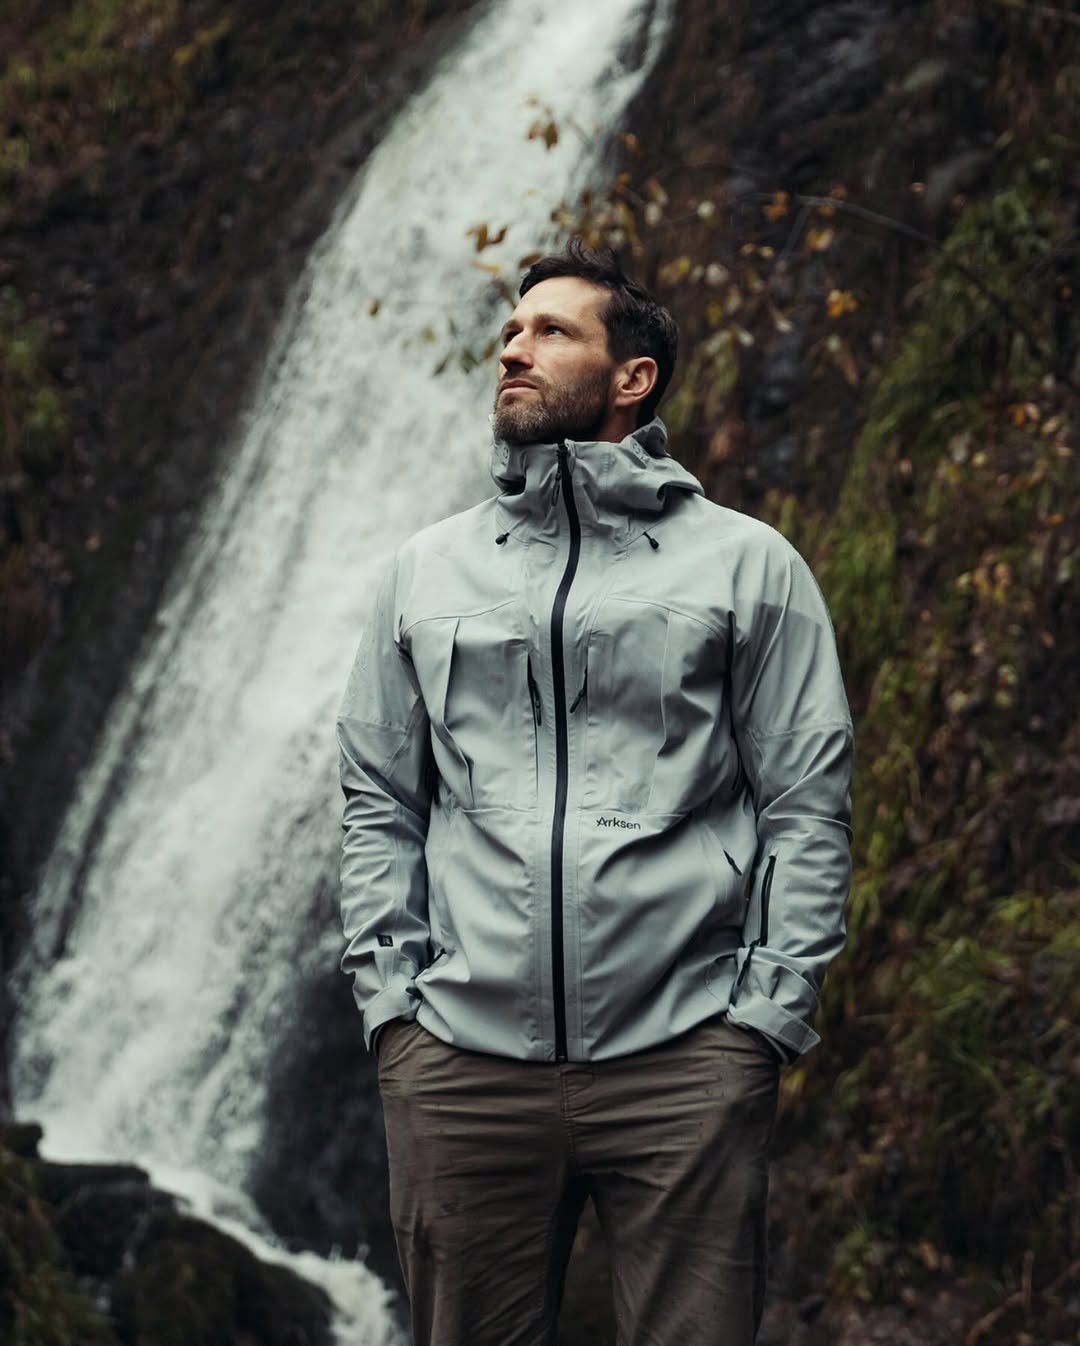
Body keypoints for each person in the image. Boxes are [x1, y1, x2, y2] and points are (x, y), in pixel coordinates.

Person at [336, 238, 853, 1346]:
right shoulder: (423, 572)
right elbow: (379, 795)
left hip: (685, 1061)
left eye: (551, 331)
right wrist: (396, 1010)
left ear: (633, 379)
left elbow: (806, 805)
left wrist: (762, 1019)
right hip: (461, 1063)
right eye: (512, 332)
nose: (514, 349)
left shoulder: (750, 567)